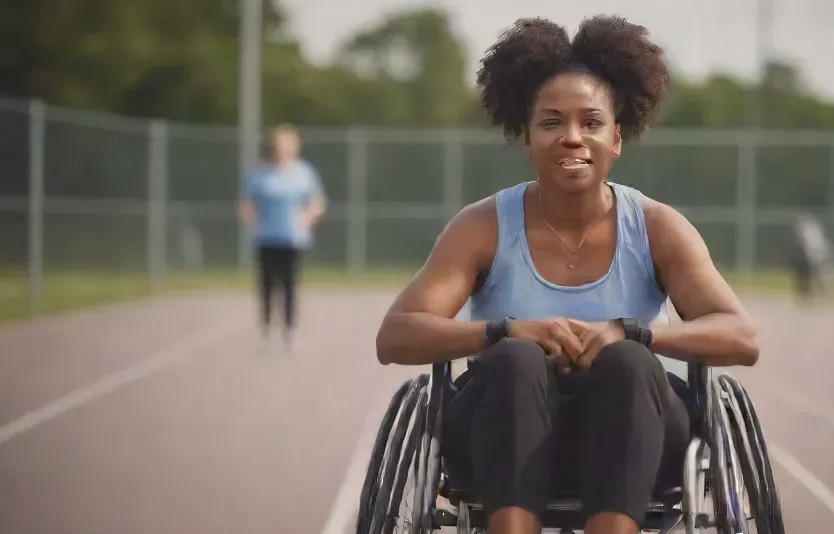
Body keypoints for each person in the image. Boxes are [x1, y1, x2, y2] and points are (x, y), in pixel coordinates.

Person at [375, 15, 759, 534]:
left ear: (617, 138)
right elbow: (395, 336)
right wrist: (504, 330)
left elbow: (741, 338)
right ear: (527, 139)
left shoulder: (657, 227)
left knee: (628, 361)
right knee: (513, 359)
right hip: (502, 434)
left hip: (636, 435)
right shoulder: (482, 227)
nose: (571, 138)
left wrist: (633, 332)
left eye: (591, 122)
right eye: (552, 123)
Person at [238, 124, 326, 349]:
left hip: (292, 239)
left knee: (289, 284)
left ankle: (289, 329)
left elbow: (317, 202)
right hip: (266, 238)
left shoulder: (303, 172)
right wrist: (252, 219)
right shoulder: (260, 174)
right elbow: (247, 203)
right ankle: (266, 329)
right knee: (266, 284)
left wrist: (306, 217)